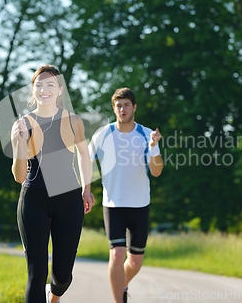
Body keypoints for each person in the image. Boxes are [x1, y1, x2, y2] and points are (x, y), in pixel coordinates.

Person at [11, 64, 95, 303]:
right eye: (39, 85)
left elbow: (83, 155)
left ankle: (54, 297)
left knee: (63, 275)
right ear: (33, 89)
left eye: (51, 85)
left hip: (68, 199)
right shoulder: (22, 124)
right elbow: (18, 176)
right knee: (37, 273)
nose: (44, 89)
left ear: (60, 90)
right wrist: (18, 145)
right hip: (33, 198)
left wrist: (87, 189)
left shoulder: (73, 121)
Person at [89, 87, 164, 303]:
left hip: (140, 204)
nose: (122, 109)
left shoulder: (146, 135)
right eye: (118, 105)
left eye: (126, 105)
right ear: (114, 108)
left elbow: (157, 171)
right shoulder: (103, 134)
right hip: (113, 204)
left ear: (134, 107)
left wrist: (154, 147)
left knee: (135, 262)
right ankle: (118, 300)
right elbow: (85, 159)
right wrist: (87, 189)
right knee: (117, 254)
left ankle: (120, 284)